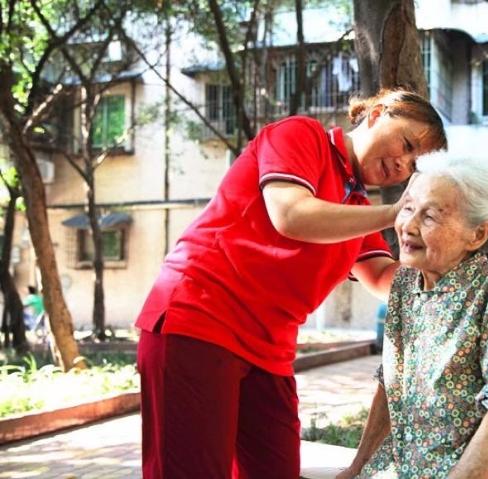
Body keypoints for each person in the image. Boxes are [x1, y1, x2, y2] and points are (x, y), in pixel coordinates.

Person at [135, 89, 447, 478]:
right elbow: (291, 214)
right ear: (378, 113)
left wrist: (445, 260)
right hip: (201, 317)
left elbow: (384, 276)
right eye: (406, 144)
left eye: (413, 163)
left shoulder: (355, 207)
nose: (402, 163)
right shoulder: (302, 136)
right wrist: (394, 214)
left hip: (269, 348)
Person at [337, 155, 488, 479]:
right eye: (408, 208)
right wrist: (356, 468)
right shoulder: (406, 285)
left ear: (477, 234)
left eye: (430, 216)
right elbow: (391, 387)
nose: (407, 226)